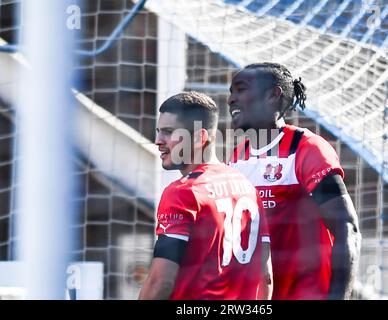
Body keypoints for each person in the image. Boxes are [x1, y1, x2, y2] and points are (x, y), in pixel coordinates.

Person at [228, 62, 361, 300]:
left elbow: (347, 229)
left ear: (273, 95)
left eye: (241, 90)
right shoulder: (238, 156)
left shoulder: (307, 149)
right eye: (231, 93)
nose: (231, 100)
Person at [138, 91, 272, 300]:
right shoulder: (248, 188)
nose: (157, 140)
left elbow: (160, 282)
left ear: (200, 138)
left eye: (168, 132)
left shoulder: (184, 192)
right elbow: (266, 277)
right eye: (158, 131)